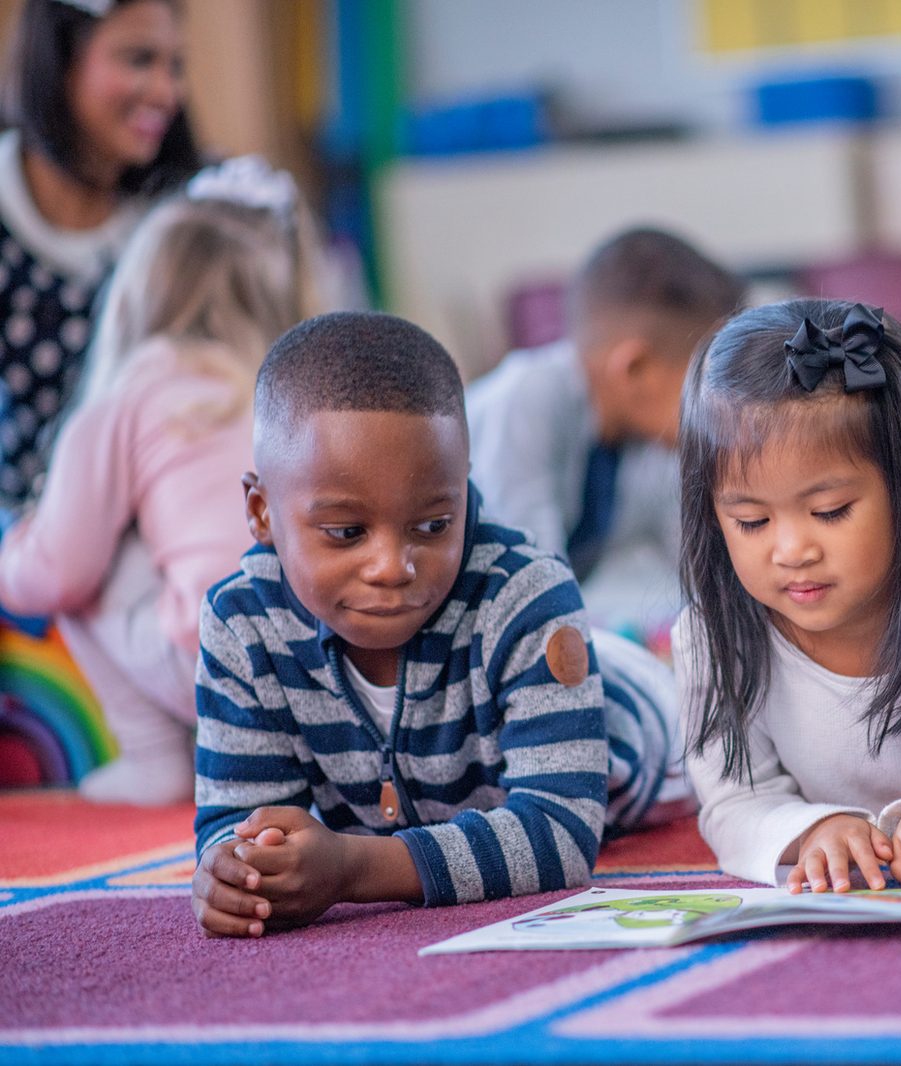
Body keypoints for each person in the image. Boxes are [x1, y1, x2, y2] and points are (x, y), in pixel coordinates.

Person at [190, 311, 683, 938]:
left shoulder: (526, 594)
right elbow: (236, 820)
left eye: (432, 526)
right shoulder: (242, 622)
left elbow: (561, 832)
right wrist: (235, 872)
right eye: (346, 532)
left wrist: (351, 868)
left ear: (461, 489)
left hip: (649, 725)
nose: (393, 567)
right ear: (261, 512)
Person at [0, 156, 316, 805]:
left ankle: (155, 762)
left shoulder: (137, 389)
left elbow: (56, 572)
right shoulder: (293, 392)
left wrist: (12, 551)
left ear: (137, 292)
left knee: (82, 564)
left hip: (222, 670)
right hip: (334, 667)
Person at [676, 299, 901, 893]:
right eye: (751, 521)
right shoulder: (710, 637)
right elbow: (733, 804)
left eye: (829, 512)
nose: (792, 549)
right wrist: (811, 829)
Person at [467, 227, 744, 633]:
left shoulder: (647, 443)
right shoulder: (529, 397)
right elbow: (533, 594)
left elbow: (700, 570)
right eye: (705, 378)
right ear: (636, 368)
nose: (723, 403)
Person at [0, 0, 201, 513]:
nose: (165, 91)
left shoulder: (184, 219)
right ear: (59, 59)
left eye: (174, 66)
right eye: (138, 59)